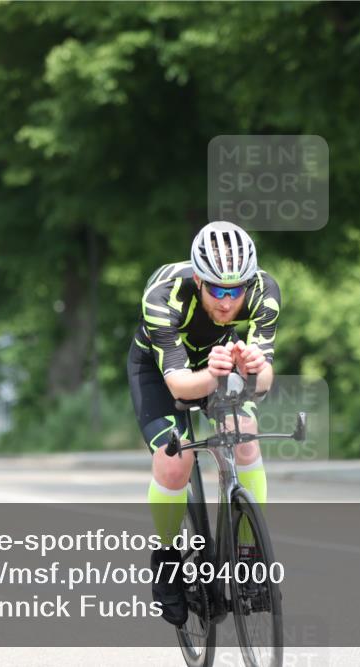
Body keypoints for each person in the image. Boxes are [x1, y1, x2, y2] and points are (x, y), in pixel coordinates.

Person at [127, 221, 280, 626]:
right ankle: (166, 557)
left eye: (236, 290)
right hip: (160, 371)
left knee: (246, 439)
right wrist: (216, 375)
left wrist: (253, 368)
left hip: (220, 361)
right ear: (198, 279)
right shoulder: (163, 297)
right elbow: (179, 384)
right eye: (216, 289)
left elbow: (264, 381)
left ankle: (248, 555)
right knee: (175, 461)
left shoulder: (264, 292)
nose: (228, 301)